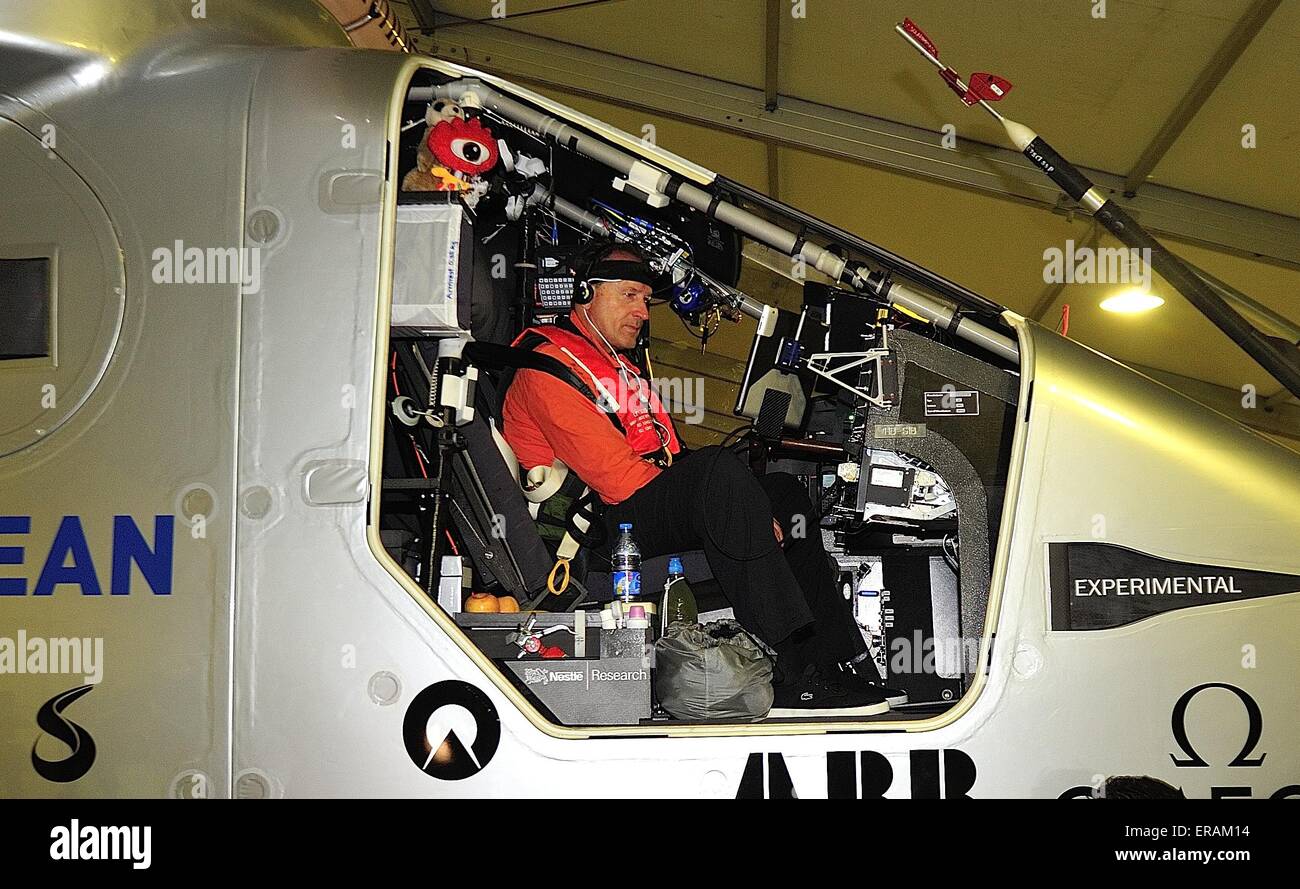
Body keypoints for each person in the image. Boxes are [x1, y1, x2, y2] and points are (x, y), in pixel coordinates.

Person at [501, 242, 902, 716]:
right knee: (717, 472)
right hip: (596, 531)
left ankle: (836, 663)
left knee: (784, 496)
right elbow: (622, 483)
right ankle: (789, 675)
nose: (642, 313)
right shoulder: (548, 370)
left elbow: (666, 463)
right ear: (587, 294)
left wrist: (751, 504)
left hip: (635, 505)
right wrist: (734, 502)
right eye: (629, 296)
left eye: (645, 301)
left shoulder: (612, 366)